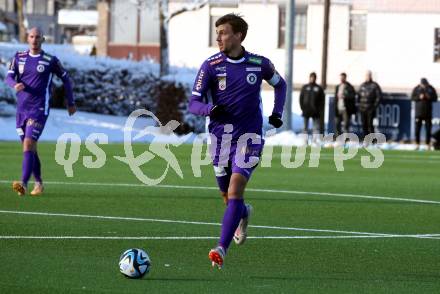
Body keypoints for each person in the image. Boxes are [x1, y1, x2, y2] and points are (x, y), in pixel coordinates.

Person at [188, 13, 286, 268]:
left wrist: (277, 114)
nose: (218, 37)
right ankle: (243, 212)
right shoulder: (210, 65)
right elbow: (193, 103)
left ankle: (221, 247)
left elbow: (281, 84)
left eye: (223, 32)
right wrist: (210, 110)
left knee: (235, 190)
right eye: (217, 32)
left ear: (238, 35)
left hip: (250, 138)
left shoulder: (259, 63)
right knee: (227, 197)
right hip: (220, 140)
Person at [5, 27, 76, 196]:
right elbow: (8, 76)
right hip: (21, 109)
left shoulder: (50, 60)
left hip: (39, 109)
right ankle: (39, 184)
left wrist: (70, 102)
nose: (34, 40)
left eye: (38, 37)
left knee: (29, 143)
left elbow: (66, 79)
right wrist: (14, 84)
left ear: (42, 39)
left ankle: (23, 184)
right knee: (30, 148)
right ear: (27, 38)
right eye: (31, 36)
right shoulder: (18, 57)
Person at [411, 78, 438, 150]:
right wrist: (419, 97)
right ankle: (417, 144)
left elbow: (435, 98)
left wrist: (429, 97)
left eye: (425, 84)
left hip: (428, 112)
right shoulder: (416, 89)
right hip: (419, 113)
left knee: (428, 129)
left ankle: (427, 144)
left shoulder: (431, 89)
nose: (424, 85)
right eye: (423, 84)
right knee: (417, 129)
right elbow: (412, 97)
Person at [357, 70, 382, 140]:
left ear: (371, 76)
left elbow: (379, 96)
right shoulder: (362, 85)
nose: (368, 77)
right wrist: (359, 105)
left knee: (370, 125)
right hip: (362, 109)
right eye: (367, 75)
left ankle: (372, 140)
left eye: (369, 75)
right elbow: (358, 96)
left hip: (370, 109)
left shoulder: (375, 85)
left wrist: (374, 106)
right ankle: (366, 139)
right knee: (364, 125)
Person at [299, 72, 325, 137]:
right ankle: (304, 140)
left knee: (316, 127)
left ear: (315, 78)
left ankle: (315, 141)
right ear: (309, 78)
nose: (312, 79)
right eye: (311, 77)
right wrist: (302, 108)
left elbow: (322, 100)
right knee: (305, 127)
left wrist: (319, 109)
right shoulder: (305, 87)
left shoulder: (319, 88)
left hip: (315, 111)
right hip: (306, 110)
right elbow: (301, 98)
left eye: (314, 77)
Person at [334, 72, 356, 138]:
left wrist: (345, 96)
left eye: (343, 77)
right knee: (337, 124)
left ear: (345, 78)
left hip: (346, 109)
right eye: (340, 77)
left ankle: (345, 139)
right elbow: (336, 97)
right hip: (338, 108)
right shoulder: (338, 86)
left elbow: (353, 96)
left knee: (346, 125)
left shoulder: (349, 87)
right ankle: (338, 138)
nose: (341, 79)